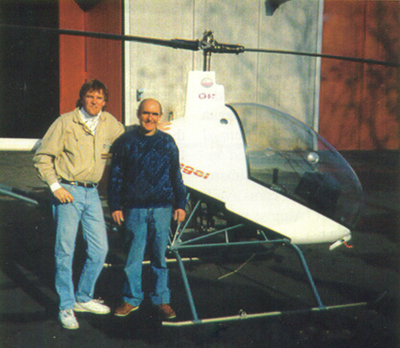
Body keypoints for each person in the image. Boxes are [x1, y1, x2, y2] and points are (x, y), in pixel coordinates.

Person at [33, 79, 125, 329]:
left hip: (92, 193)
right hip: (68, 192)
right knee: (65, 251)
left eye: (100, 98)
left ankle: (83, 297)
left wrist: (154, 130)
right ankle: (66, 306)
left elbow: (129, 141)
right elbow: (42, 157)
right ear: (82, 99)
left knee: (99, 249)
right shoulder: (65, 122)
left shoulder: (109, 123)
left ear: (105, 102)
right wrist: (56, 187)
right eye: (90, 97)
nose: (95, 102)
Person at [108, 98, 187, 320]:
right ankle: (131, 299)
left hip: (162, 208)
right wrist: (115, 205)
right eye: (145, 113)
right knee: (133, 257)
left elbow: (176, 176)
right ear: (138, 114)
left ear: (160, 117)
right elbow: (116, 176)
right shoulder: (126, 141)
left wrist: (181, 204)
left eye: (154, 114)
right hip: (135, 209)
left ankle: (161, 299)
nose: (149, 118)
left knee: (159, 258)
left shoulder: (168, 142)